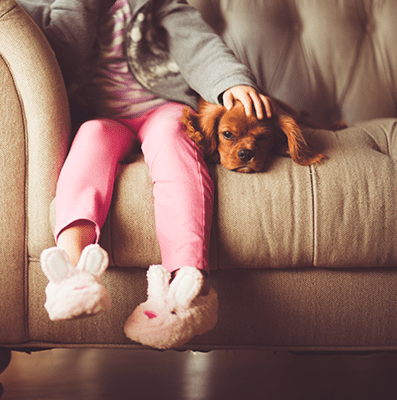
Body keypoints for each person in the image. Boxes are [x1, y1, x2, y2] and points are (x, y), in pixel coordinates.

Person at [17, 0, 274, 349]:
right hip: (100, 115)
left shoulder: (159, 4)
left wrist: (229, 82)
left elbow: (198, 45)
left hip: (161, 107)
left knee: (174, 139)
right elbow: (59, 54)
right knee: (90, 142)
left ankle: (185, 284)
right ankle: (74, 272)